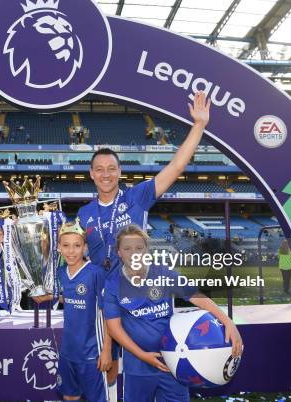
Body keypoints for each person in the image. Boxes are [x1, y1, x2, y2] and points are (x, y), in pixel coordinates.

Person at [77, 91, 211, 391]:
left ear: (120, 172)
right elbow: (77, 257)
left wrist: (199, 125)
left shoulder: (137, 197)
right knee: (107, 370)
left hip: (143, 296)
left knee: (158, 362)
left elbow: (175, 167)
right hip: (108, 301)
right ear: (91, 174)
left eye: (111, 168)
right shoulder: (84, 214)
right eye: (99, 169)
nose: (106, 174)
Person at [104, 225, 243, 402]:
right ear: (119, 252)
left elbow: (196, 297)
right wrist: (142, 355)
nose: (134, 253)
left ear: (146, 250)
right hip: (138, 365)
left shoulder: (163, 272)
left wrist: (228, 322)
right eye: (127, 248)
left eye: (139, 248)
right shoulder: (112, 283)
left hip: (174, 360)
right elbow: (114, 327)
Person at [35, 219, 111, 401]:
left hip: (93, 352)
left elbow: (109, 312)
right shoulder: (61, 272)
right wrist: (48, 296)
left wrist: (107, 349)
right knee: (70, 396)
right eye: (66, 245)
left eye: (77, 245)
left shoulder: (96, 273)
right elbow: (71, 297)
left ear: (85, 247)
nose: (71, 251)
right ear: (59, 247)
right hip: (68, 351)